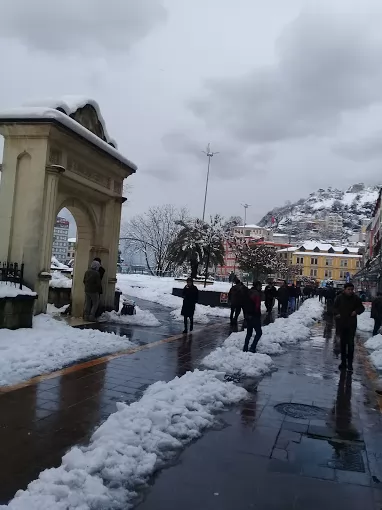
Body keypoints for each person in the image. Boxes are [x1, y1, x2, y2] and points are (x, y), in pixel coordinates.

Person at [333, 283, 365, 372]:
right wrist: (337, 313)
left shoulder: (356, 298)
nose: (350, 291)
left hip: (351, 324)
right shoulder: (339, 298)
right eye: (349, 289)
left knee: (350, 344)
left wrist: (356, 311)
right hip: (342, 324)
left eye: (352, 289)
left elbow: (362, 308)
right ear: (344, 289)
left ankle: (350, 364)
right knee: (343, 344)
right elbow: (334, 308)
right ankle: (343, 363)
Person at [243, 281, 263, 352]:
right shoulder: (256, 294)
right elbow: (257, 306)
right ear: (257, 286)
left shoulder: (248, 292)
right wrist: (257, 314)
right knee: (259, 333)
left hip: (248, 315)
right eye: (260, 286)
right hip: (254, 316)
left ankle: (245, 347)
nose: (261, 287)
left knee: (249, 333)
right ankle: (252, 347)